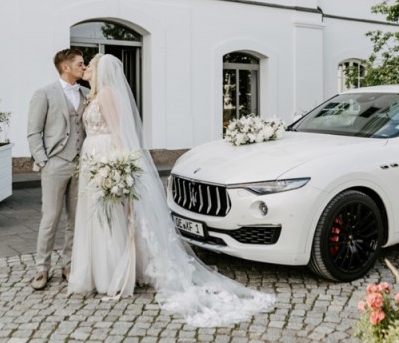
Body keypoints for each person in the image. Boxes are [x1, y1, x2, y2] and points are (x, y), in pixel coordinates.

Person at [68, 54, 274, 326]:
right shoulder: (93, 94)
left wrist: (119, 165)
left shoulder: (106, 93)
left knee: (112, 216)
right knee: (96, 216)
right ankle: (97, 272)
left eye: (91, 65)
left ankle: (114, 273)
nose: (87, 68)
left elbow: (118, 132)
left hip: (106, 155)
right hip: (91, 158)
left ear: (101, 71)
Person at [27, 48, 88, 290]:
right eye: (80, 64)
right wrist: (43, 161)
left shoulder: (86, 93)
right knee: (50, 218)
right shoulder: (44, 94)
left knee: (75, 218)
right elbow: (33, 131)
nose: (84, 68)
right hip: (55, 164)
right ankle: (42, 268)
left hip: (81, 164)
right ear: (66, 67)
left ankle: (68, 264)